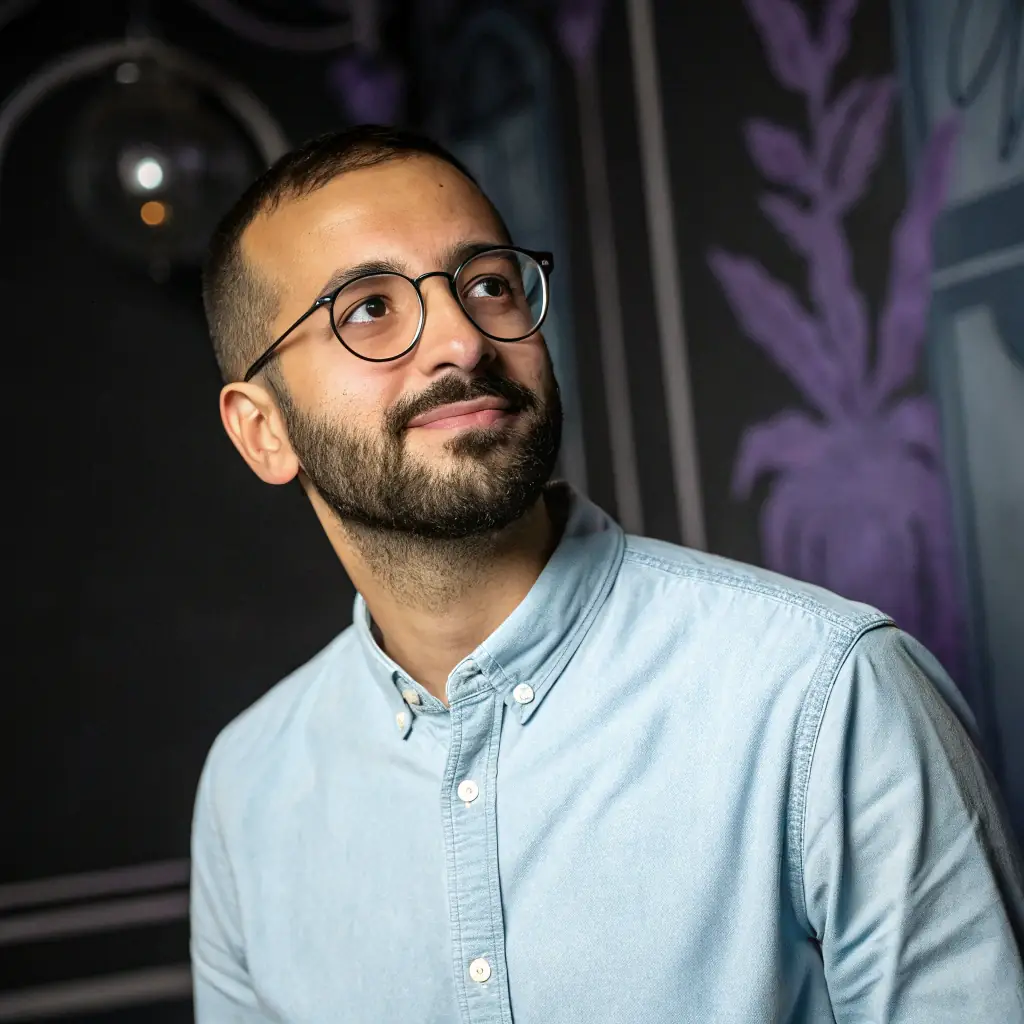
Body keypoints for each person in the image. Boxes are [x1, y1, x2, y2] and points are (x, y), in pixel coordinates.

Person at [190, 124, 1024, 1023]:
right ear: (261, 430)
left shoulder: (825, 693)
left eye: (488, 285)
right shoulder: (248, 791)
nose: (464, 344)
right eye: (368, 309)